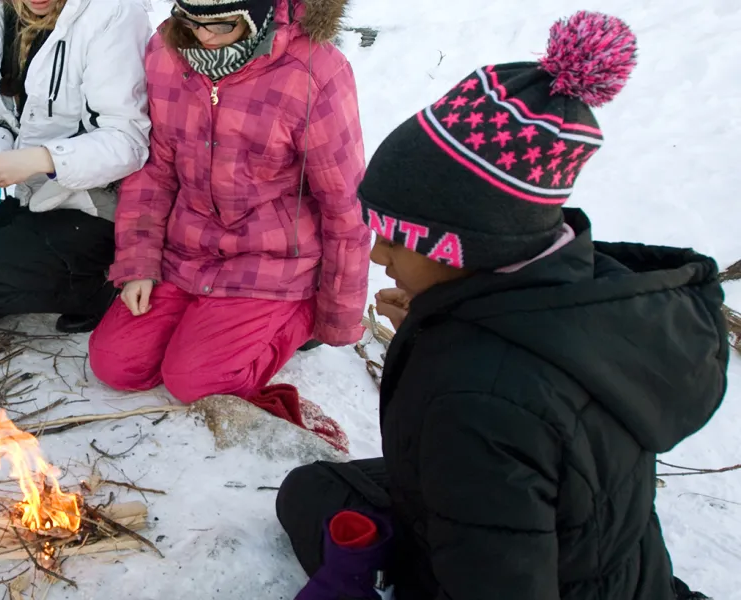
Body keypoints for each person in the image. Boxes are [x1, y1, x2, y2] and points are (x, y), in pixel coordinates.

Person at [275, 13, 723, 600]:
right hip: (607, 556)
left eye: (394, 235)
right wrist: (445, 320)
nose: (377, 252)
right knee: (315, 493)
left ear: (463, 248)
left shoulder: (476, 403)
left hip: (536, 573)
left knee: (323, 513)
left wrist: (448, 355)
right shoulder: (591, 283)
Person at [88, 0, 368, 402]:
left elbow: (345, 202)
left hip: (271, 262)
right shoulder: (166, 51)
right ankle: (203, 322)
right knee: (116, 364)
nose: (203, 37)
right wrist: (138, 264)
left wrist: (336, 315)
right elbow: (153, 172)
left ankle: (299, 315)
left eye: (221, 25)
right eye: (190, 22)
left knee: (198, 383)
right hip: (186, 250)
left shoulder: (316, 71)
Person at [0, 0, 152, 333]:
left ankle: (103, 284)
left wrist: (43, 159)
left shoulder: (113, 13)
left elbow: (127, 140)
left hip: (99, 203)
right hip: (37, 192)